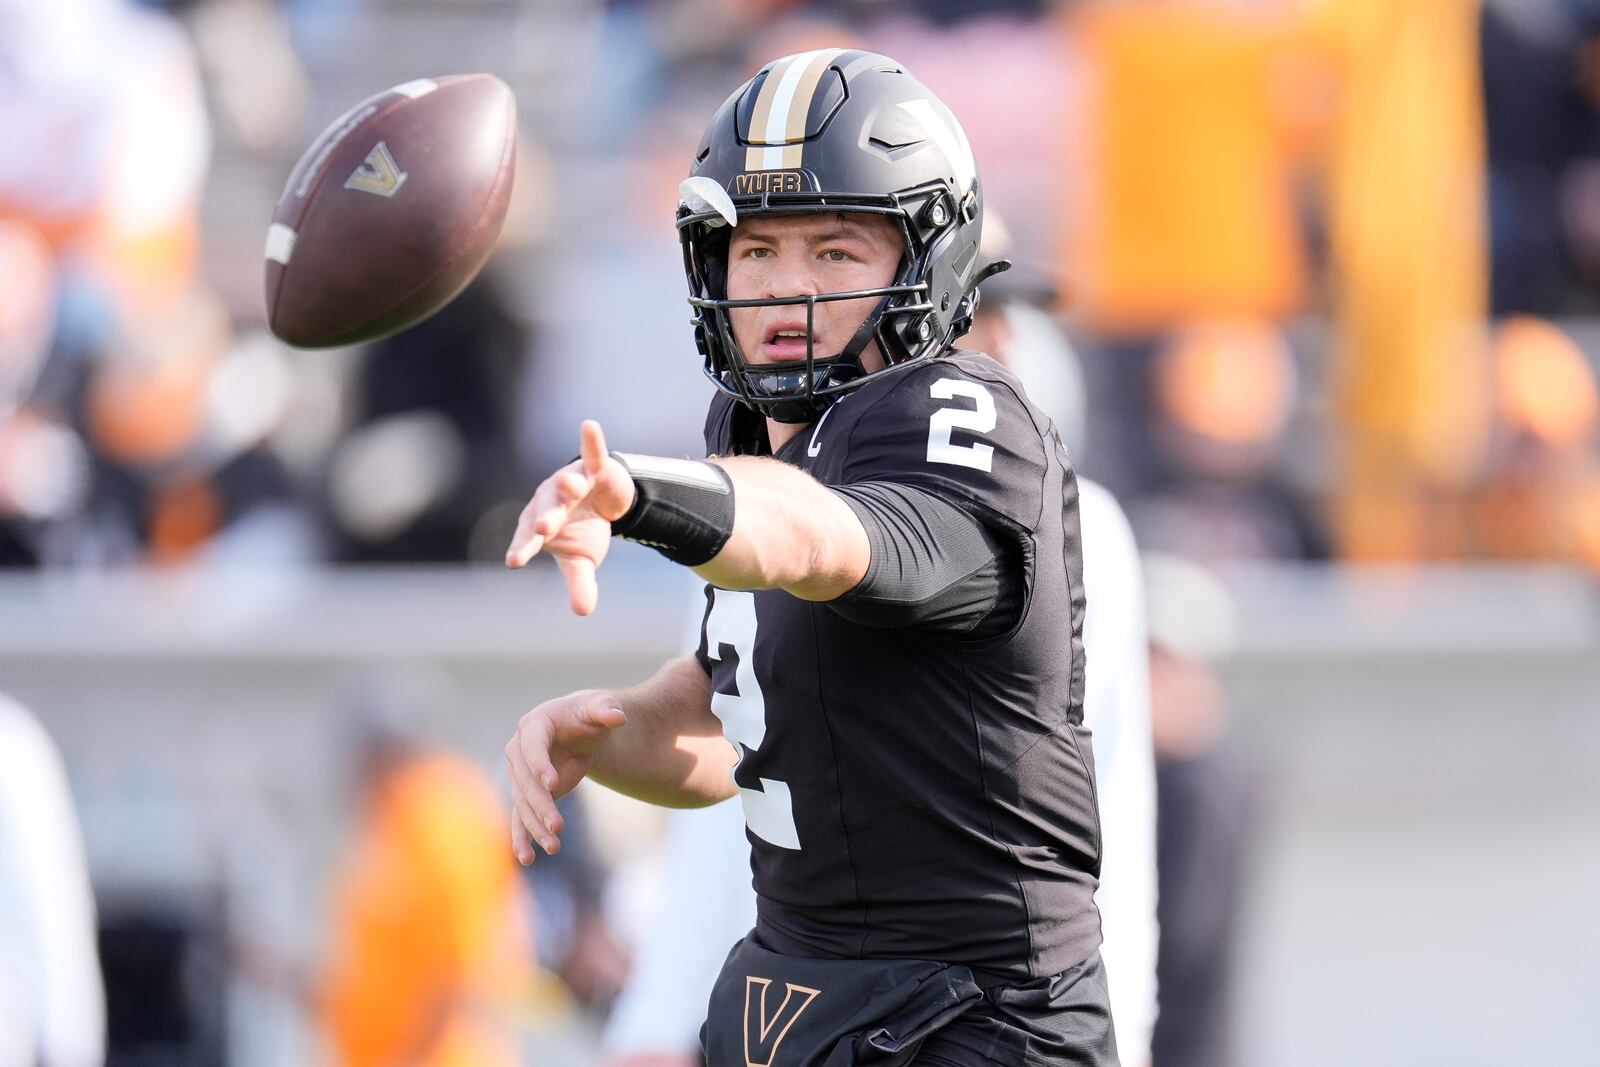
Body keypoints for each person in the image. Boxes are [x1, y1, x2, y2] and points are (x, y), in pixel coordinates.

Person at [506, 49, 1115, 1066]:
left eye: (835, 252)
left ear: (928, 258)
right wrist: (605, 733)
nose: (787, 288)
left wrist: (642, 497)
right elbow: (730, 715)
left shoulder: (963, 409)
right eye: (757, 251)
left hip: (970, 1019)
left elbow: (825, 536)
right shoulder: (751, 425)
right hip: (799, 1000)